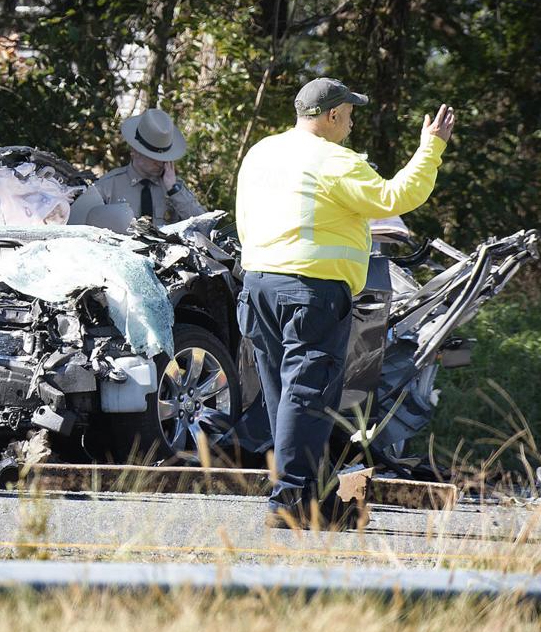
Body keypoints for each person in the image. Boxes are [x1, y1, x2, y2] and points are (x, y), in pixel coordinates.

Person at [235, 77, 455, 530]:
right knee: (307, 394)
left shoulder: (262, 152)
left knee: (282, 397)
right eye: (350, 115)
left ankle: (307, 492)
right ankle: (291, 500)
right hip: (310, 291)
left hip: (258, 285)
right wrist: (430, 148)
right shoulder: (334, 160)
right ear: (332, 115)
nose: (352, 124)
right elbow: (394, 198)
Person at [78, 108, 207, 230]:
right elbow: (78, 226)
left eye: (165, 157)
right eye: (153, 157)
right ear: (134, 151)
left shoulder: (174, 188)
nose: (161, 163)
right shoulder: (109, 186)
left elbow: (204, 228)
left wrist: (174, 191)